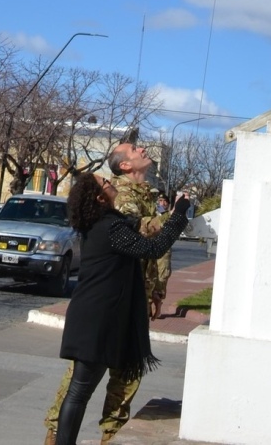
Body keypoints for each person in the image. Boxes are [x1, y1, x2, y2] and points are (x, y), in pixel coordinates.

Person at [50, 172, 189, 445]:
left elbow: (142, 226)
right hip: (96, 319)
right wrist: (181, 214)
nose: (111, 182)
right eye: (105, 183)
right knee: (79, 391)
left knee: (80, 390)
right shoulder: (109, 229)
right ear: (101, 197)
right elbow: (154, 248)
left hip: (96, 316)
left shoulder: (109, 224)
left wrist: (170, 213)